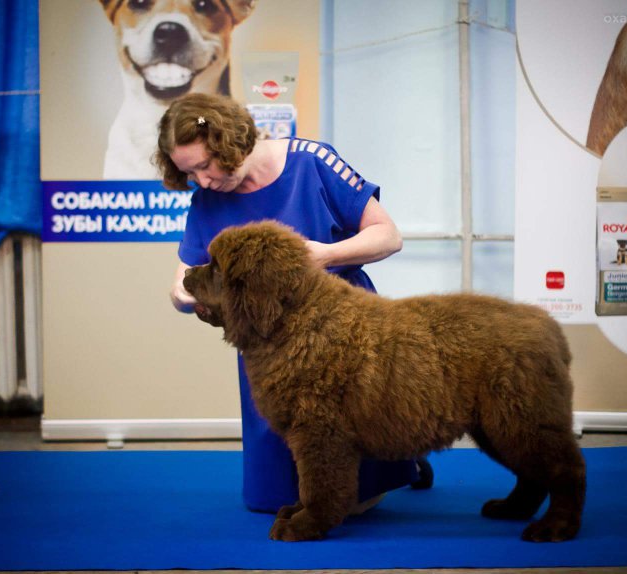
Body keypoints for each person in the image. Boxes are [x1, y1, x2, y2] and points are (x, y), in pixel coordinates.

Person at [155, 93, 431, 514]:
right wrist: (184, 296)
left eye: (206, 165)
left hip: (344, 335)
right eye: (189, 173)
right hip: (268, 349)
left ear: (231, 140)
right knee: (274, 500)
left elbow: (389, 237)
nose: (204, 181)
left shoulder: (313, 162)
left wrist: (324, 254)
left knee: (352, 495)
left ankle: (405, 456)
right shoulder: (206, 199)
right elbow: (183, 282)